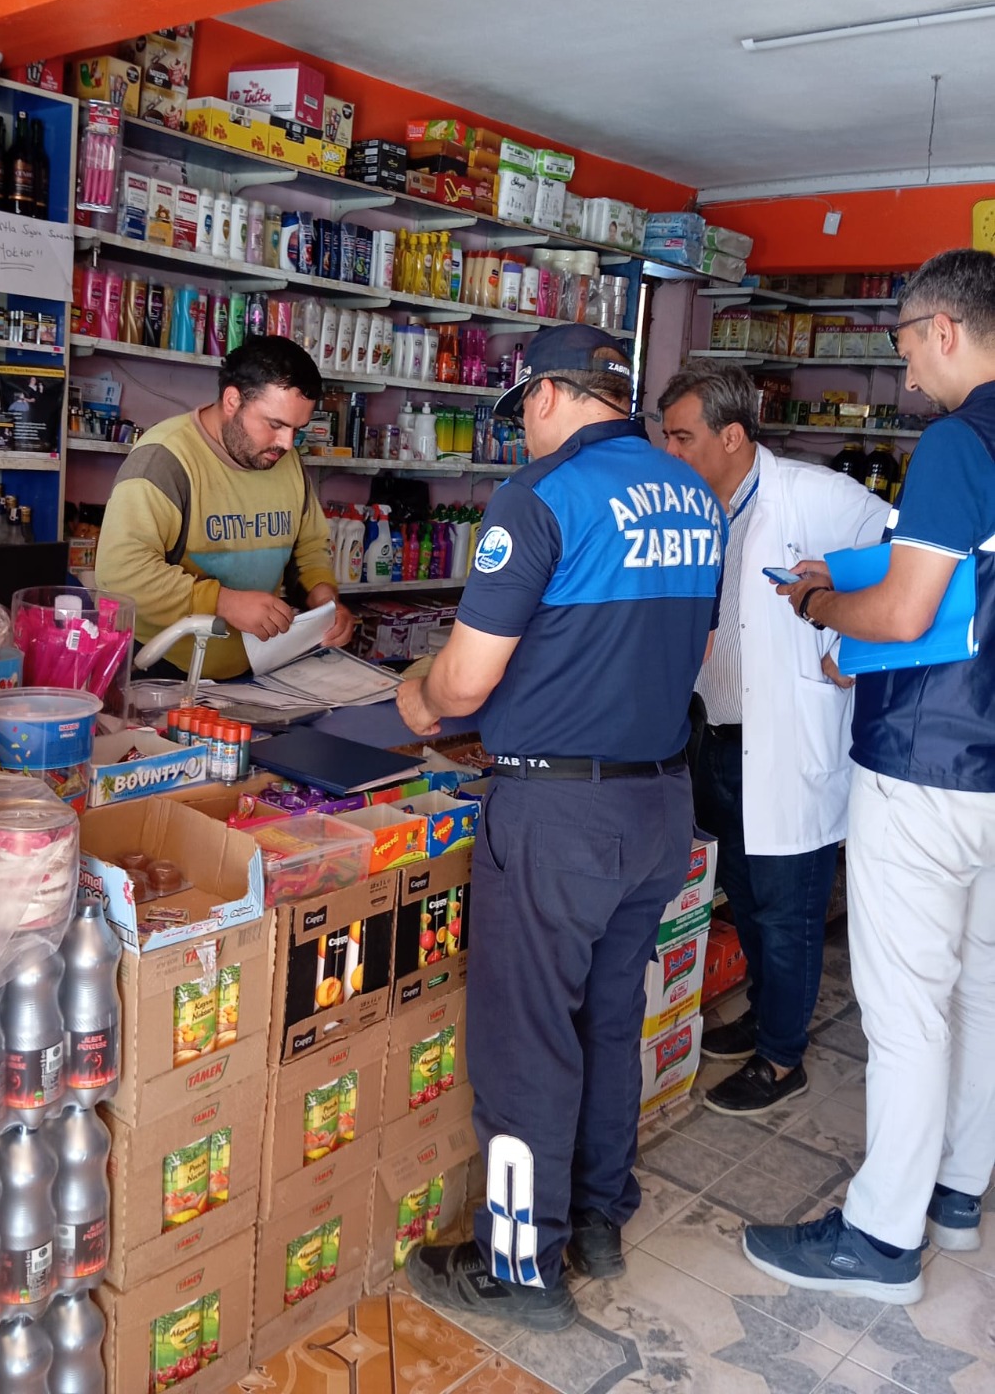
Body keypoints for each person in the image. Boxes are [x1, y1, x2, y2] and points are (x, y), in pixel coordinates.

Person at [395, 322, 725, 1332]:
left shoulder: (537, 498)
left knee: (523, 1040)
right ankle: (597, 1217)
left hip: (556, 817)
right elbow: (692, 642)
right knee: (607, 1016)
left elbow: (464, 676)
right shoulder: (694, 495)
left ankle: (513, 1263)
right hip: (657, 803)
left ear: (543, 396)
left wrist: (416, 696)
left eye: (520, 416)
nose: (520, 437)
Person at [741, 249, 995, 1304]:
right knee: (981, 988)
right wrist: (855, 577)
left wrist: (817, 609)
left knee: (905, 1008)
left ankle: (879, 1240)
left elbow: (902, 615)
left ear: (943, 329)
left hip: (925, 763)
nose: (901, 371)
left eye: (900, 344)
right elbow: (960, 589)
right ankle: (958, 1192)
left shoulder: (956, 439)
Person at [658, 365, 886, 1116]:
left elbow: (909, 564)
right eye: (666, 435)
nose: (671, 451)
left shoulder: (815, 496)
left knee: (789, 912)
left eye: (683, 437)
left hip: (788, 743)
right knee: (748, 900)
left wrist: (853, 651)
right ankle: (765, 1015)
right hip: (717, 737)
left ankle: (784, 1059)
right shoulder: (692, 507)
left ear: (732, 435)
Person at [95, 337, 353, 679]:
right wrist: (223, 602)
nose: (287, 444)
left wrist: (325, 601)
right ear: (233, 400)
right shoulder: (164, 460)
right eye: (275, 424)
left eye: (297, 430)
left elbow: (308, 549)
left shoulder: (285, 462)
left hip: (258, 670)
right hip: (164, 670)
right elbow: (120, 575)